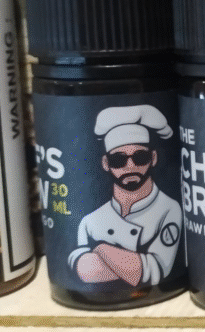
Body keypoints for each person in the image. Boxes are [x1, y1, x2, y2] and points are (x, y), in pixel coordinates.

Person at [69, 105, 182, 286]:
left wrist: (101, 248)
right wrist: (132, 265)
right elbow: (85, 271)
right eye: (118, 160)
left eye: (140, 157)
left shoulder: (169, 209)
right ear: (106, 163)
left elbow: (157, 270)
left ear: (153, 158)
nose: (130, 166)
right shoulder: (89, 222)